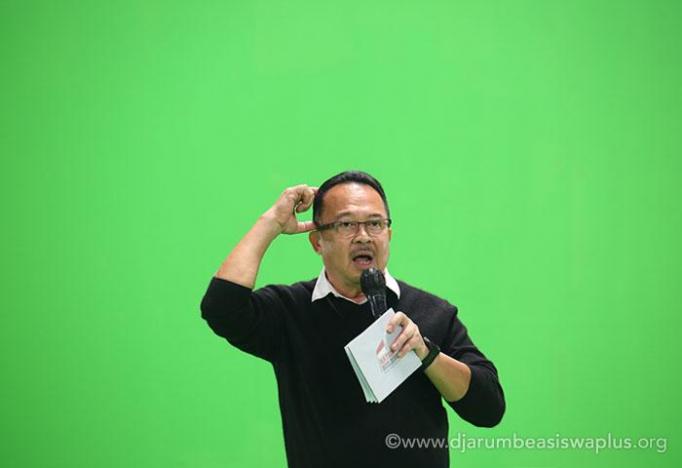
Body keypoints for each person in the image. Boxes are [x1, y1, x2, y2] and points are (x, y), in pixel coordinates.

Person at [200, 170, 505, 468]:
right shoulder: (290, 310)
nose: (363, 237)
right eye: (346, 224)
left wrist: (426, 354)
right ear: (318, 241)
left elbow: (489, 408)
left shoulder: (431, 312)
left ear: (389, 234)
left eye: (375, 224)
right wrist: (272, 223)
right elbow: (221, 308)